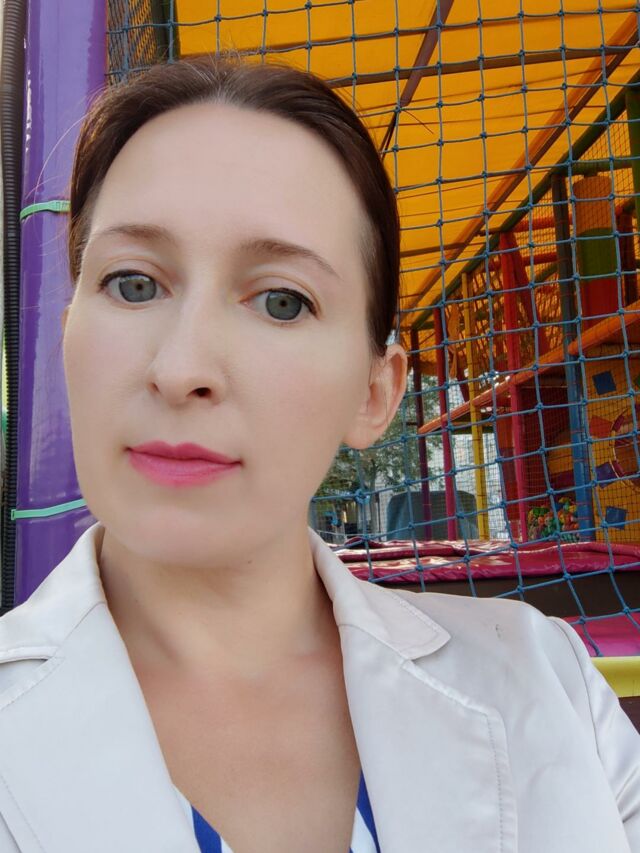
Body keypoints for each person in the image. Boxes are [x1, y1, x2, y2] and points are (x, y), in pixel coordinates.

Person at [0, 55, 638, 853]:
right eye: (133, 284)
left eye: (282, 301)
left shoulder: (551, 693)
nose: (182, 367)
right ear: (66, 340)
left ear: (376, 391)